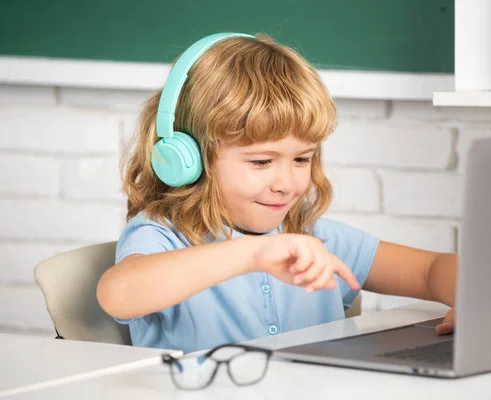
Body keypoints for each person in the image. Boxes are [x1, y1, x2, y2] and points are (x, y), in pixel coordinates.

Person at [96, 33, 457, 354]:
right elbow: (119, 295)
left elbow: (430, 270)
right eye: (261, 162)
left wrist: (473, 296)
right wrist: (255, 253)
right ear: (188, 159)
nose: (286, 183)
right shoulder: (163, 235)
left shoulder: (313, 237)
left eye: (301, 158)